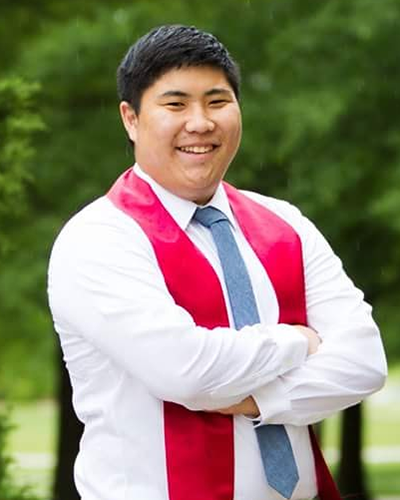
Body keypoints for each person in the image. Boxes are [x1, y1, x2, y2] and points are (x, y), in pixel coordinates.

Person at [47, 25, 387, 500]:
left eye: (216, 101)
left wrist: (259, 400)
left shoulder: (284, 224)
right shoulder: (99, 238)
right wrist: (297, 341)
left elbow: (364, 362)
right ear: (131, 118)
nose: (200, 122)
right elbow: (187, 371)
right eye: (175, 104)